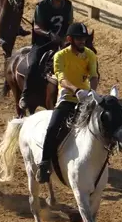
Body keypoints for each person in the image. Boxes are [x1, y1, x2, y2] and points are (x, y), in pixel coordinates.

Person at [36, 22, 98, 183]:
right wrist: (76, 91)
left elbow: (94, 75)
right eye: (79, 39)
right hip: (67, 99)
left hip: (86, 98)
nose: (82, 41)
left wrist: (92, 92)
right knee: (52, 127)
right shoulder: (60, 56)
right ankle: (44, 164)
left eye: (84, 38)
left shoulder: (90, 54)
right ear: (70, 39)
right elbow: (61, 79)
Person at [18, 0, 73, 111]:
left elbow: (70, 24)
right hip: (42, 43)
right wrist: (49, 35)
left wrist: (66, 38)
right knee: (34, 63)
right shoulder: (42, 6)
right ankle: (25, 95)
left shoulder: (68, 5)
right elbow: (36, 27)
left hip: (61, 42)